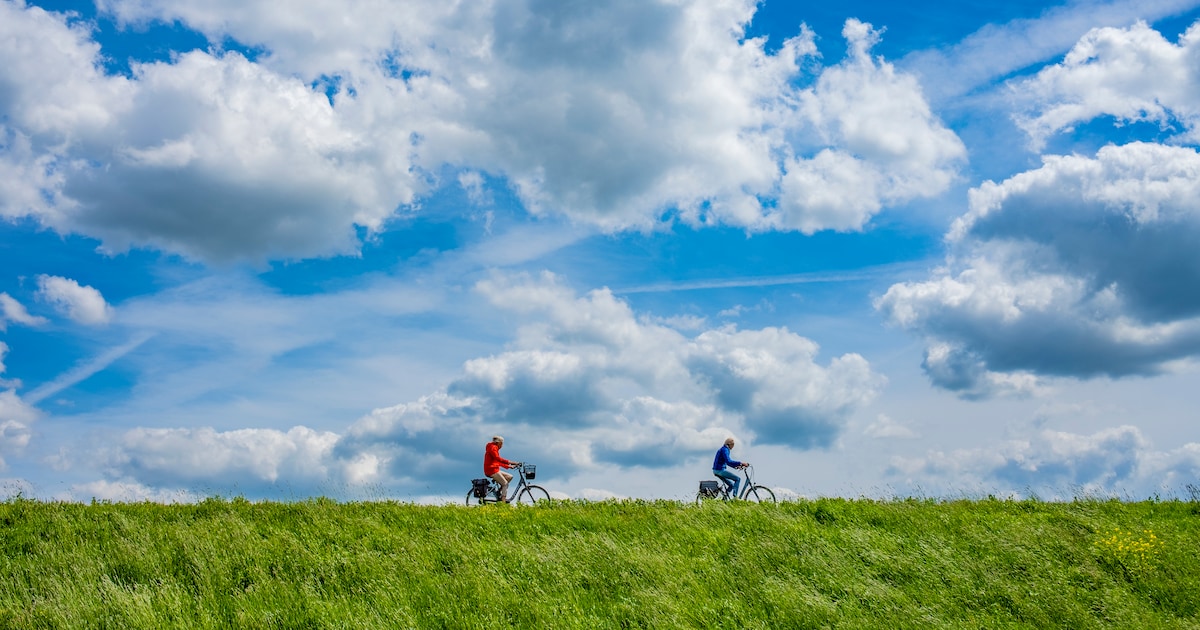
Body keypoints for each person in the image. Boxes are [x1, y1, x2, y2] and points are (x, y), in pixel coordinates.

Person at [483, 435, 520, 502]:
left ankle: (498, 492)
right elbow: (498, 459)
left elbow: (497, 462)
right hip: (491, 470)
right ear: (498, 443)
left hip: (494, 469)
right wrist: (511, 462)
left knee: (509, 477)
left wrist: (508, 466)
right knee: (505, 484)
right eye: (502, 443)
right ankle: (503, 502)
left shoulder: (494, 447)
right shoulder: (493, 448)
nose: (502, 445)